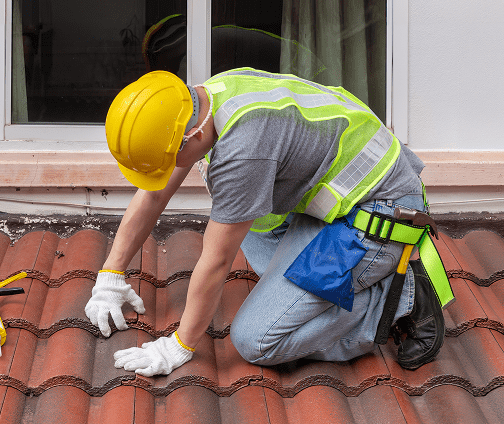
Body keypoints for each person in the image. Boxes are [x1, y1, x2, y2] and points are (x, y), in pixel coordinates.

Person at [85, 68, 453, 377]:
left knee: (256, 340)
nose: (169, 173)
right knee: (251, 225)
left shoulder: (244, 150)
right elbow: (153, 194)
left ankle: (398, 300)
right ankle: (335, 284)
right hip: (341, 201)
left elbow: (215, 261)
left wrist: (179, 345)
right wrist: (111, 276)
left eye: (169, 161)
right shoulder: (208, 97)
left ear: (191, 137)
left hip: (379, 215)